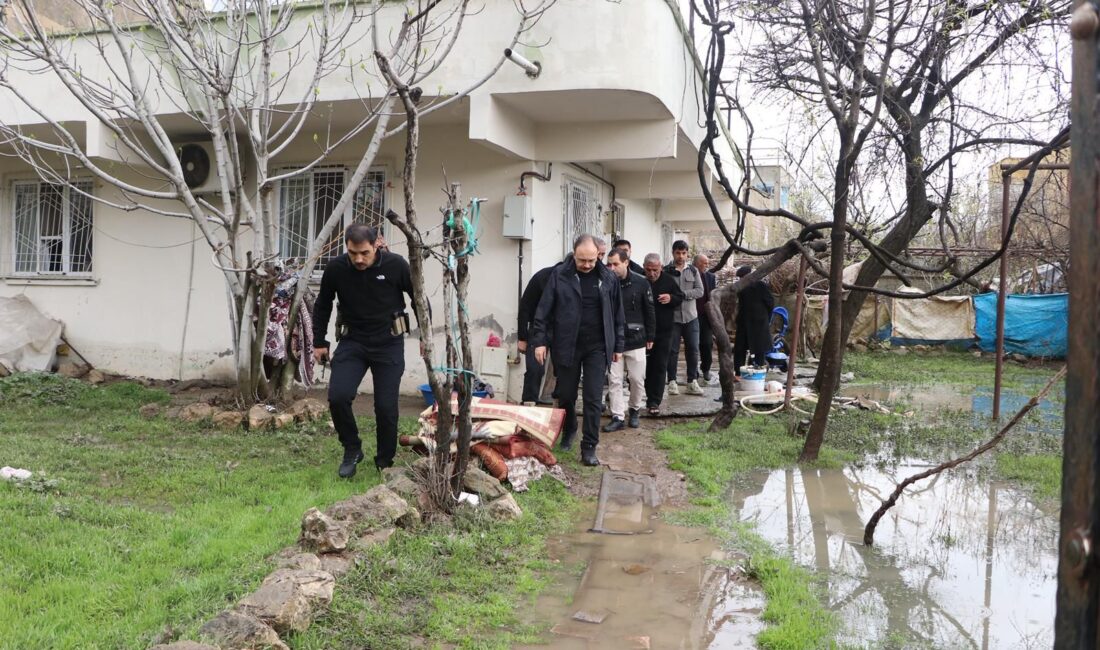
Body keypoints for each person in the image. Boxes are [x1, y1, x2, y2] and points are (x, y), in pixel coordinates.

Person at [313, 224, 414, 479]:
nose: (358, 259)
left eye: (364, 253)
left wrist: (426, 338)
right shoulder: (336, 268)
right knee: (338, 396)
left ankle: (384, 461)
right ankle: (352, 448)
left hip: (389, 342)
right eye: (352, 253)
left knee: (386, 406)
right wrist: (319, 341)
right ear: (346, 247)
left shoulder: (396, 265)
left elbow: (419, 297)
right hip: (353, 341)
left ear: (376, 246)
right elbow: (323, 304)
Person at [532, 235, 625, 466]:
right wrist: (540, 341)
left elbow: (617, 315)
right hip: (567, 345)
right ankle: (570, 426)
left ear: (598, 256)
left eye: (591, 260)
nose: (586, 265)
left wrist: (618, 345)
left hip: (597, 347)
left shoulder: (608, 278)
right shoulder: (559, 276)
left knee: (593, 398)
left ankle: (589, 446)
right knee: (566, 395)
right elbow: (543, 311)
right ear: (574, 255)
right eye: (582, 260)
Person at [602, 248, 655, 431]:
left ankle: (634, 409)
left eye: (615, 264)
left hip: (637, 338)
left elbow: (649, 310)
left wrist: (651, 335)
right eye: (609, 264)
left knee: (637, 379)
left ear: (626, 262)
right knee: (614, 380)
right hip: (614, 340)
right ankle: (617, 415)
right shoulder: (606, 284)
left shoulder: (641, 283)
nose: (611, 268)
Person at [517, 259, 563, 404]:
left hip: (561, 330)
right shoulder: (541, 278)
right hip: (538, 328)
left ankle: (559, 402)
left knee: (562, 369)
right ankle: (528, 402)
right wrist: (522, 337)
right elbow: (525, 307)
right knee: (534, 369)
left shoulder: (573, 279)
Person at [643, 253, 684, 415]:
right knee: (645, 368)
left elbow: (680, 297)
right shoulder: (641, 281)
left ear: (660, 267)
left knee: (660, 366)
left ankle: (654, 401)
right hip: (645, 332)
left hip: (664, 332)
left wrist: (671, 298)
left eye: (655, 270)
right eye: (648, 270)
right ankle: (646, 396)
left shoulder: (668, 281)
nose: (652, 274)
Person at [664, 240, 705, 396]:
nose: (681, 256)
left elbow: (700, 291)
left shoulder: (693, 271)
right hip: (672, 318)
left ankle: (691, 382)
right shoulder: (666, 270)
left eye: (683, 253)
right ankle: (672, 382)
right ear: (673, 253)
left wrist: (683, 295)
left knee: (693, 349)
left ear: (688, 254)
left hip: (691, 317)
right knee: (672, 351)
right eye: (678, 253)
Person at [733, 265, 775, 376]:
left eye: (742, 277)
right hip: (746, 322)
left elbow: (770, 302)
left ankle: (757, 371)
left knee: (757, 349)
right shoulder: (741, 288)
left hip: (757, 322)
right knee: (741, 349)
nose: (741, 280)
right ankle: (739, 372)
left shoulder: (760, 285)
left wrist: (765, 318)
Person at [694, 254, 718, 384]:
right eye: (704, 263)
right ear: (697, 264)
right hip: (692, 316)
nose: (707, 266)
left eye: (707, 263)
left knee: (707, 343)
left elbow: (713, 296)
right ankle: (693, 371)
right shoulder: (690, 276)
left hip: (706, 316)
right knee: (693, 345)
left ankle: (706, 369)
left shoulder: (710, 277)